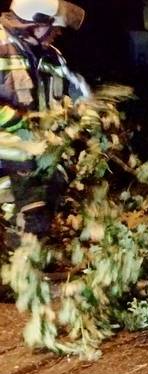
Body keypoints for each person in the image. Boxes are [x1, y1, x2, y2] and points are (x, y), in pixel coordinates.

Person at [0, 0, 87, 240]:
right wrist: (22, 126)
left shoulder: (50, 57)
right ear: (35, 25)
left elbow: (79, 93)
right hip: (8, 158)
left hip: (34, 158)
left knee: (39, 214)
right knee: (24, 223)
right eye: (53, 27)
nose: (58, 32)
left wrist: (92, 114)